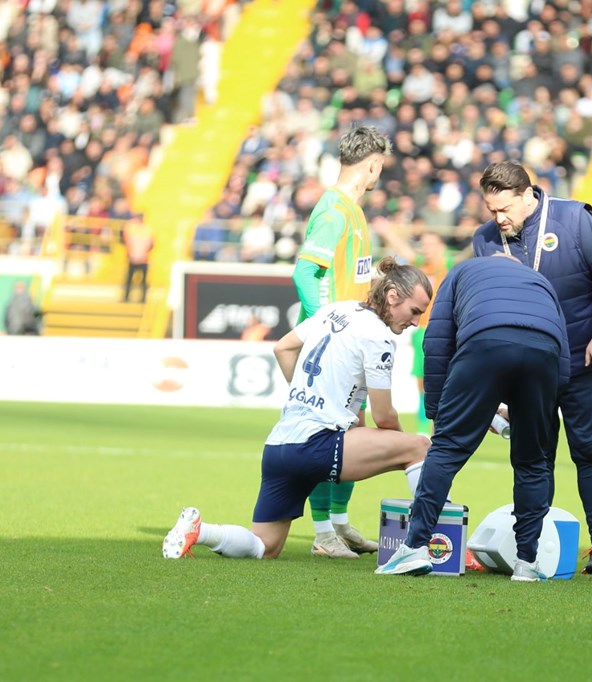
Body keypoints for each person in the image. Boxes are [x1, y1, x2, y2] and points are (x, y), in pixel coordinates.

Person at [163, 258, 433, 561]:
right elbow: (384, 417)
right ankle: (432, 542)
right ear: (393, 295)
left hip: (280, 446)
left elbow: (283, 347)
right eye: (414, 312)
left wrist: (306, 392)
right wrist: (400, 444)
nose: (415, 322)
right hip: (316, 443)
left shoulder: (336, 309)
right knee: (420, 447)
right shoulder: (379, 336)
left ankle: (200, 530)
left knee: (264, 547)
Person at [375, 255, 570, 581]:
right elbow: (562, 354)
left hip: (485, 342)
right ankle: (527, 563)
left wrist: (437, 411)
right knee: (533, 461)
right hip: (544, 353)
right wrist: (540, 410)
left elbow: (436, 345)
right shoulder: (540, 282)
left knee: (447, 450)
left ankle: (414, 548)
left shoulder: (461, 271)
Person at [469, 161, 592, 575]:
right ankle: (531, 548)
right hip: (525, 368)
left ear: (526, 194)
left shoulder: (573, 217)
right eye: (490, 209)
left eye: (505, 209)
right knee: (534, 456)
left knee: (589, 450)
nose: (498, 219)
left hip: (581, 357)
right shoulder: (485, 240)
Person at [293, 126, 392, 559]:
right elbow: (304, 273)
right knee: (327, 437)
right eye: (380, 168)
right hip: (332, 346)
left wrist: (379, 278)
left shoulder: (352, 210)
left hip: (350, 343)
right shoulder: (335, 210)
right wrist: (324, 326)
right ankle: (322, 534)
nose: (379, 175)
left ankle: (337, 523)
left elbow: (347, 275)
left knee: (353, 434)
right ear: (372, 163)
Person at [372, 222, 455, 437]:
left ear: (441, 246)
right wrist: (388, 232)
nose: (425, 248)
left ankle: (439, 428)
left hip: (440, 330)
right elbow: (405, 251)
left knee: (439, 382)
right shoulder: (422, 265)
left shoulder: (447, 265)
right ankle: (423, 429)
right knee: (422, 382)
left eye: (430, 244)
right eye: (423, 244)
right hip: (421, 331)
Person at [122, 213, 153, 304]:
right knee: (130, 279)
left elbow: (151, 244)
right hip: (135, 257)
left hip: (142, 258)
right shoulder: (133, 227)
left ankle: (142, 298)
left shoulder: (145, 229)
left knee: (142, 281)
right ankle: (127, 297)